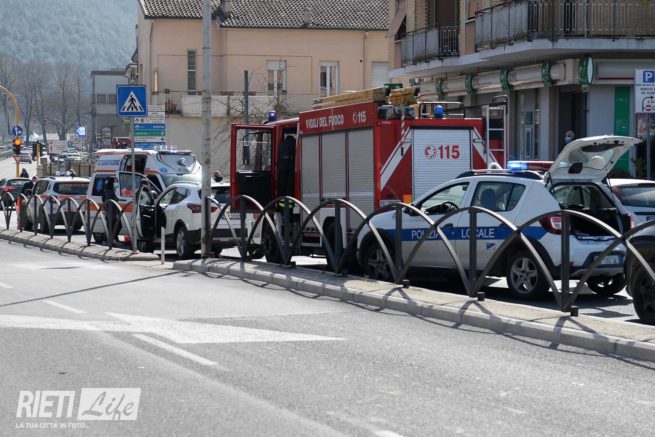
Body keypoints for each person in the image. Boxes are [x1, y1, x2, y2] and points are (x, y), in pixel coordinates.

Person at [102, 177, 121, 243]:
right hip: (111, 213)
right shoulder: (109, 191)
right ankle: (109, 241)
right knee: (113, 227)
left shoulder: (113, 190)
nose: (116, 183)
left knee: (114, 227)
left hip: (113, 212)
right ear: (111, 182)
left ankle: (112, 240)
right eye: (115, 182)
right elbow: (108, 202)